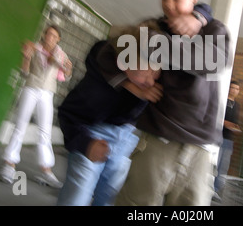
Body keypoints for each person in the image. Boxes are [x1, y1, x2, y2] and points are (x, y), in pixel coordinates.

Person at [115, 0, 230, 206]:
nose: (168, 4)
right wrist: (130, 83)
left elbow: (211, 63)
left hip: (199, 148)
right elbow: (110, 51)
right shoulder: (155, 27)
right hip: (158, 139)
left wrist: (199, 19)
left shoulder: (214, 29)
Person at [56, 25, 163, 206]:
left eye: (155, 72)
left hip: (126, 138)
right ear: (122, 67)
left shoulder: (148, 64)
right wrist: (86, 144)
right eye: (142, 74)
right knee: (76, 196)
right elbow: (67, 114)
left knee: (111, 198)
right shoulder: (95, 89)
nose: (151, 81)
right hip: (91, 134)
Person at [0, 25, 73, 188]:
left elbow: (65, 76)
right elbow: (24, 73)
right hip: (31, 88)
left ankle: (46, 171)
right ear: (44, 35)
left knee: (45, 131)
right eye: (48, 34)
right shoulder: (34, 48)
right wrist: (26, 57)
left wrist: (68, 69)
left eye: (54, 36)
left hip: (47, 93)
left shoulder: (61, 54)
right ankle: (9, 164)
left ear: (58, 39)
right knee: (20, 125)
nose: (50, 37)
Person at [213, 80, 242, 198]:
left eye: (237, 89)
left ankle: (217, 190)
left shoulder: (237, 105)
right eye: (232, 87)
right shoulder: (222, 100)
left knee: (223, 167)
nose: (234, 90)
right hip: (218, 136)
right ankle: (209, 188)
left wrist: (236, 127)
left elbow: (234, 121)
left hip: (229, 139)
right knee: (215, 164)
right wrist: (224, 123)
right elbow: (216, 116)